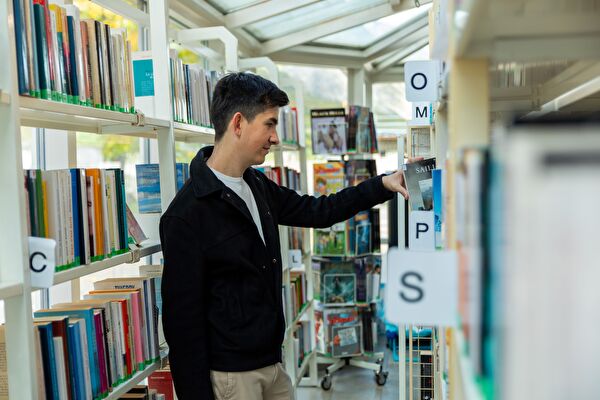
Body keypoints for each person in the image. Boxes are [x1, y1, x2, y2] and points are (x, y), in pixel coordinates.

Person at [159, 72, 412, 400]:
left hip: (273, 367)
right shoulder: (186, 215)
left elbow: (319, 211)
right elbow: (182, 325)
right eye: (269, 124)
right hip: (232, 380)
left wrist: (383, 184)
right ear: (238, 124)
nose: (275, 137)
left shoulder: (256, 184)